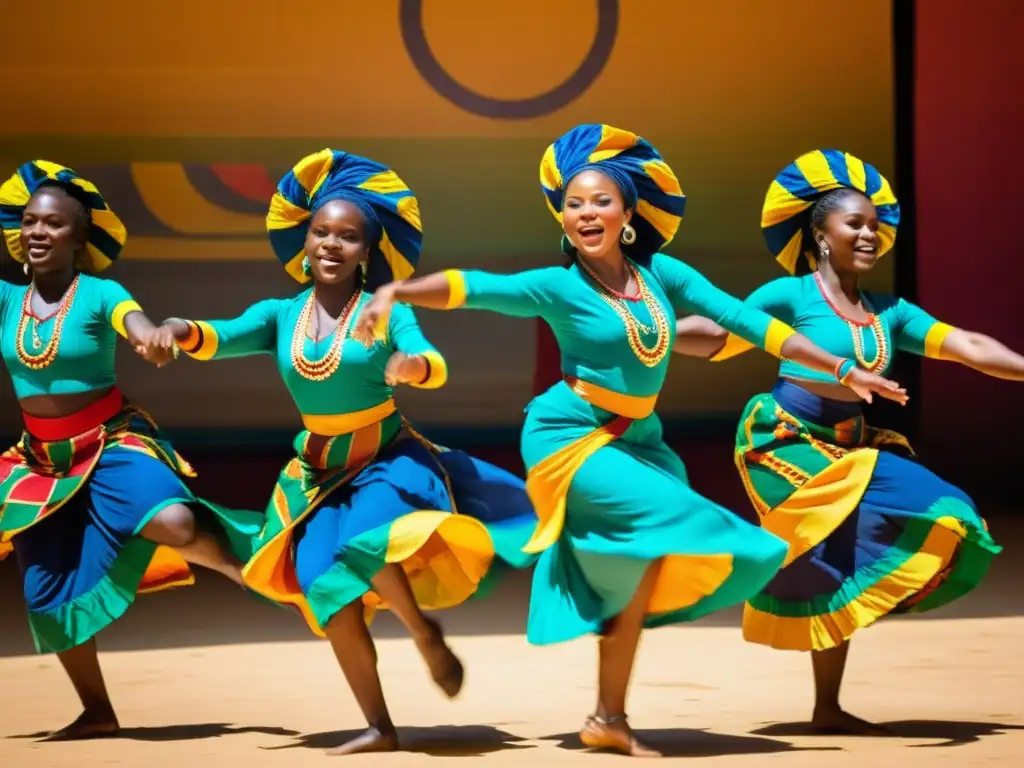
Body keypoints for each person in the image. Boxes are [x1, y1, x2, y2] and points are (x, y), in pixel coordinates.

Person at [351, 125, 905, 757]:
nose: (586, 213)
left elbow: (751, 324)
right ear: (562, 217)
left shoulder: (663, 274)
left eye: (600, 202)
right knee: (699, 529)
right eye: (574, 204)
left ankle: (607, 717)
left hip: (639, 440)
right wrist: (398, 291)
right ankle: (606, 700)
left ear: (628, 213)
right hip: (569, 436)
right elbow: (477, 287)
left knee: (638, 571)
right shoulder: (559, 285)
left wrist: (841, 369)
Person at [142, 149, 538, 756]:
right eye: (320, 232)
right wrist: (178, 331)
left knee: (367, 537)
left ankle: (423, 633)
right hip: (320, 474)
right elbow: (217, 336)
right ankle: (380, 724)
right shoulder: (280, 315)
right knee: (331, 596)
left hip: (389, 461)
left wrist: (413, 366)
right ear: (303, 240)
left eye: (348, 236)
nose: (331, 244)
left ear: (367, 252)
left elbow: (433, 364)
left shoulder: (385, 310)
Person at [672, 148, 1013, 734]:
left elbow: (972, 347)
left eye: (875, 227)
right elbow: (719, 337)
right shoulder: (791, 298)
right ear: (820, 233)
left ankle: (827, 708)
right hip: (784, 442)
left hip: (849, 443)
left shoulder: (890, 313)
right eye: (854, 223)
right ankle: (824, 699)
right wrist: (646, 334)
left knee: (859, 553)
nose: (868, 234)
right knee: (835, 539)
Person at [0, 161, 261, 740]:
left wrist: (155, 340)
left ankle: (243, 570)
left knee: (172, 520)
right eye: (30, 222)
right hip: (41, 462)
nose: (38, 232)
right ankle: (98, 711)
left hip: (111, 440)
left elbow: (138, 327)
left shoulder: (99, 292)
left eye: (55, 224)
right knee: (47, 594)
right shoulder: (4, 299)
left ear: (80, 238)